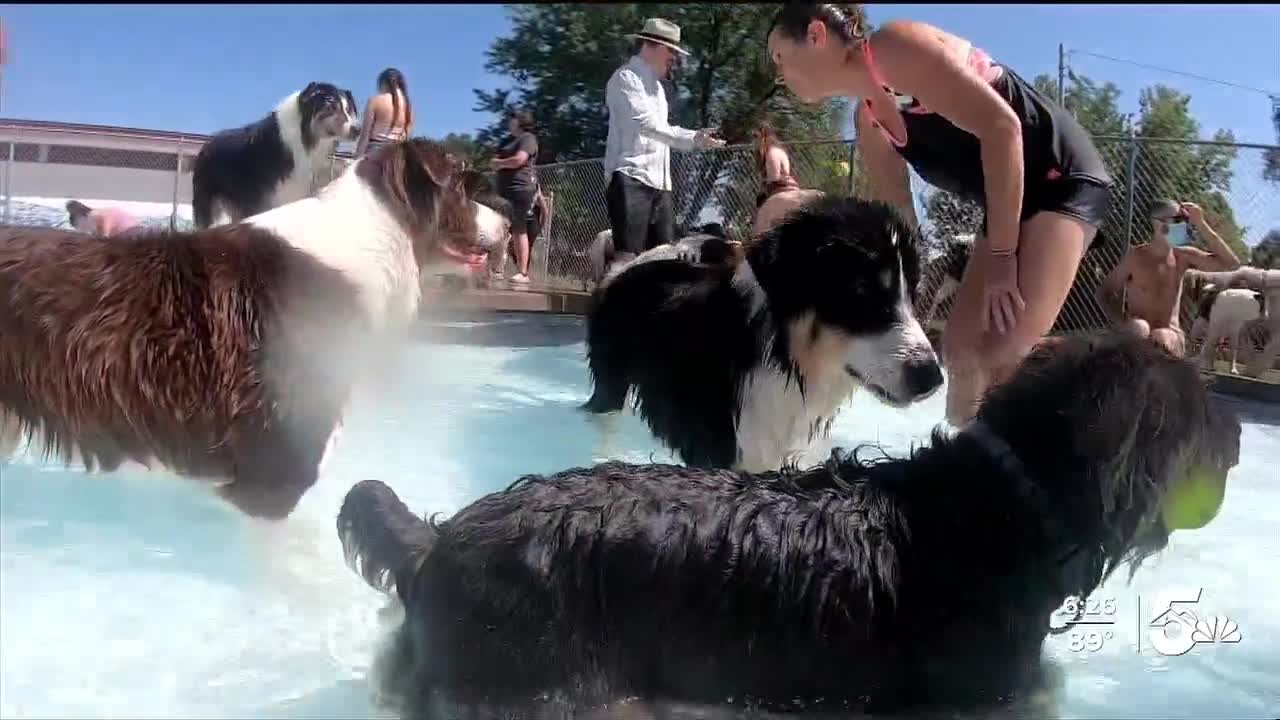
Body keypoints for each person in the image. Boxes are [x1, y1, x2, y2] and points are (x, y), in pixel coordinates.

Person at [767, 3, 1116, 426]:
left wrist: (1004, 259)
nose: (779, 74)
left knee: (1001, 349)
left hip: (1060, 175)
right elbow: (901, 219)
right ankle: (958, 472)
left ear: (817, 35)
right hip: (1005, 201)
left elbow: (1003, 129)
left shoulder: (895, 48)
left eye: (780, 57)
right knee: (961, 349)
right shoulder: (870, 123)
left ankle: (1072, 411)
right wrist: (900, 295)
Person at [604, 18, 725, 263]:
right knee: (626, 259)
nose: (675, 58)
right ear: (653, 46)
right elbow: (646, 125)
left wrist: (698, 138)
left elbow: (663, 129)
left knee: (662, 259)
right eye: (672, 51)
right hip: (630, 178)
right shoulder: (625, 78)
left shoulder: (658, 90)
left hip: (661, 185)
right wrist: (693, 137)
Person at [1096, 199, 1241, 357]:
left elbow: (1231, 264)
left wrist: (1201, 223)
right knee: (1139, 327)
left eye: (1185, 220)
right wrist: (1122, 323)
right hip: (1138, 336)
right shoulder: (1136, 257)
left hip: (1170, 336)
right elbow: (1105, 293)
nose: (1184, 225)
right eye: (1178, 220)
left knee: (1161, 336)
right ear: (1159, 224)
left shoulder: (1183, 256)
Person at [489, 110, 540, 287]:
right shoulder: (506, 141)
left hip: (520, 188)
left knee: (519, 228)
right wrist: (497, 163)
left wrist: (500, 163)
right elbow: (494, 160)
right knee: (499, 228)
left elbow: (519, 160)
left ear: (519, 121)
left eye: (512, 119)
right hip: (503, 189)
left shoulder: (527, 139)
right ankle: (496, 269)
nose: (509, 122)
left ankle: (523, 272)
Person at [750, 123, 824, 237]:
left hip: (780, 189)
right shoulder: (778, 150)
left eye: (756, 137)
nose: (754, 142)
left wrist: (763, 191)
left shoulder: (772, 152)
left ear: (763, 136)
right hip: (785, 188)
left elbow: (774, 177)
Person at [355, 68, 414, 158]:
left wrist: (356, 158)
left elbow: (365, 135)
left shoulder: (375, 101)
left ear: (383, 84)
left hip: (375, 152)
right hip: (397, 155)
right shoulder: (409, 107)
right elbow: (406, 138)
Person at [65, 200, 141, 237]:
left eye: (78, 227)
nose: (81, 229)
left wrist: (105, 233)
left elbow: (104, 219)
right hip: (132, 228)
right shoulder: (95, 214)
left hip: (127, 229)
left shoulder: (93, 215)